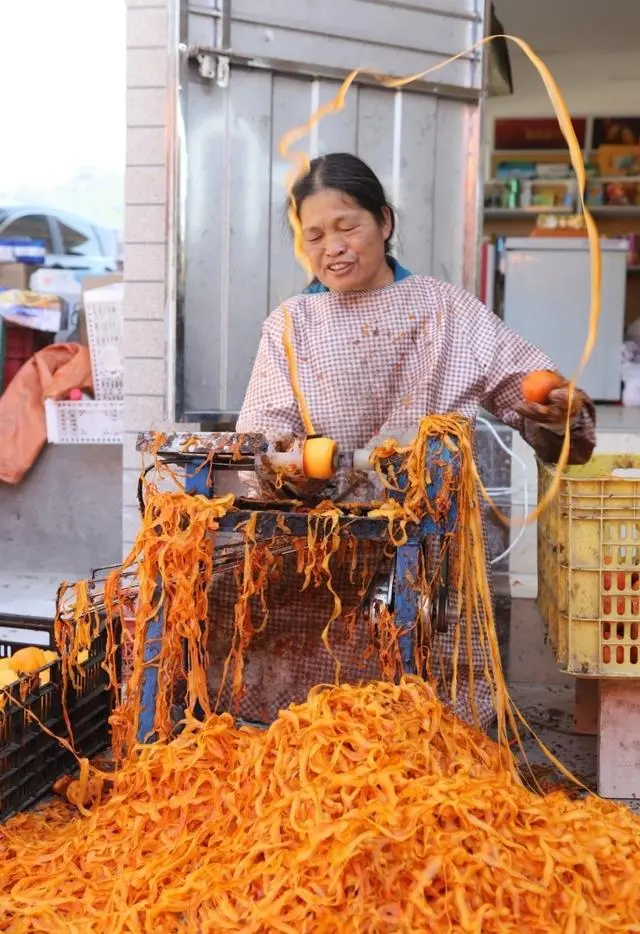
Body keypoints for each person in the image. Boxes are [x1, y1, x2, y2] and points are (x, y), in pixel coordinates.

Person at [222, 152, 596, 730]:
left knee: (435, 714)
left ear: (385, 223)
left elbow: (523, 390)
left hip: (435, 542)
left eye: (348, 226)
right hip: (328, 548)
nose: (333, 248)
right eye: (314, 235)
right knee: (324, 719)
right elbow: (264, 436)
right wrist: (286, 461)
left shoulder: (445, 311)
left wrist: (553, 410)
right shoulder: (290, 326)